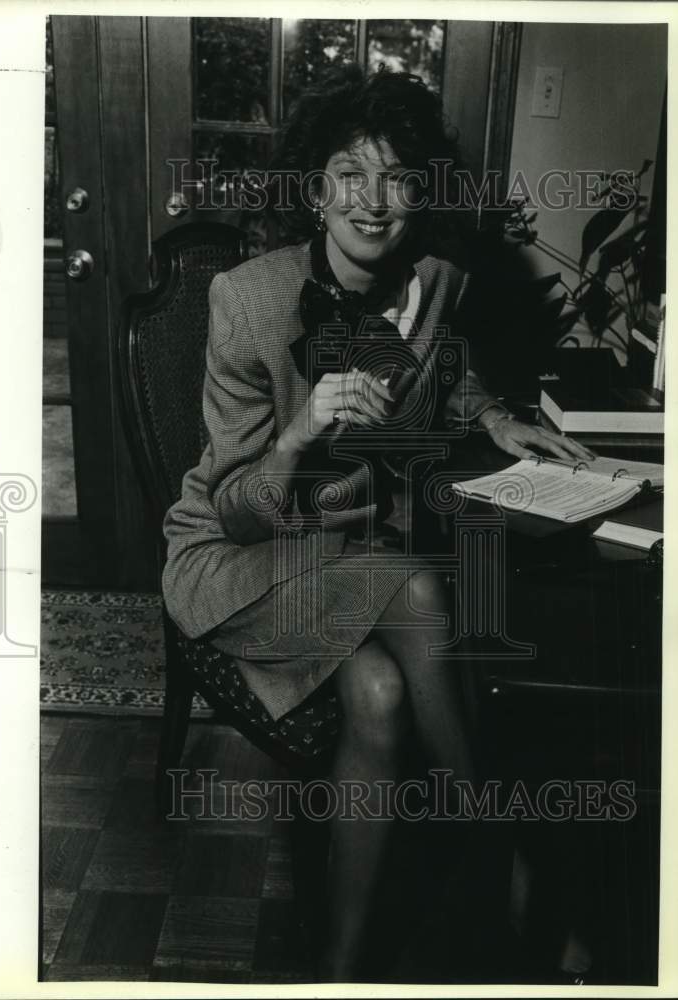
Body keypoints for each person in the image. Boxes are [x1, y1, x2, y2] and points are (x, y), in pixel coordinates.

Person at [162, 65, 593, 981]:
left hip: (349, 557)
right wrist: (298, 430)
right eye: (349, 174)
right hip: (240, 556)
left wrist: (490, 416)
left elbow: (443, 368)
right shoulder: (245, 301)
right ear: (316, 191)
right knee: (422, 584)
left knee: (382, 696)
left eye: (396, 177)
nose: (374, 200)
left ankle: (345, 967)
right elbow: (236, 507)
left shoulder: (435, 279)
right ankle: (498, 855)